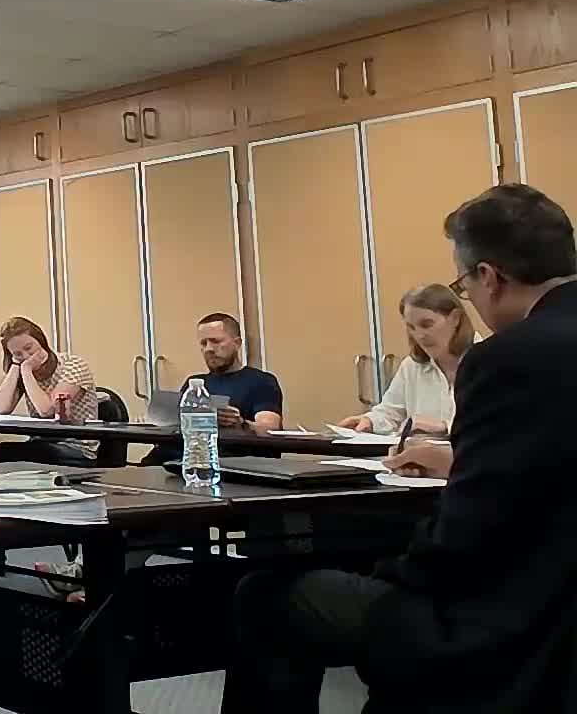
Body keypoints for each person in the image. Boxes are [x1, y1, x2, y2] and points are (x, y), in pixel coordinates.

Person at [222, 184, 577, 713]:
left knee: (266, 594)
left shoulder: (509, 358)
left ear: (490, 277)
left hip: (507, 623)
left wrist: (387, 573)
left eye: (465, 286)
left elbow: (466, 536)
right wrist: (462, 460)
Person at [335, 283, 471, 435]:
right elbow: (390, 412)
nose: (419, 335)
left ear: (455, 318)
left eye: (427, 325)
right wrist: (370, 421)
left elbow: (491, 425)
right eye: (411, 327)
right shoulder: (412, 366)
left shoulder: (486, 362)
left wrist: (444, 426)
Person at [0, 316, 98, 462]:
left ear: (41, 341)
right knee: (1, 452)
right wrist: (16, 365)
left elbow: (47, 410)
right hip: (41, 441)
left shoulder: (73, 365)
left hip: (76, 446)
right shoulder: (23, 367)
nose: (26, 356)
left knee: (13, 454)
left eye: (29, 348)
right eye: (17, 353)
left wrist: (26, 370)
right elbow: (0, 409)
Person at [185, 313, 283, 432]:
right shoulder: (194, 385)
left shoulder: (261, 381)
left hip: (236, 443)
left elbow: (269, 429)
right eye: (203, 343)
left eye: (216, 341)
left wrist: (241, 424)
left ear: (237, 343)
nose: (208, 349)